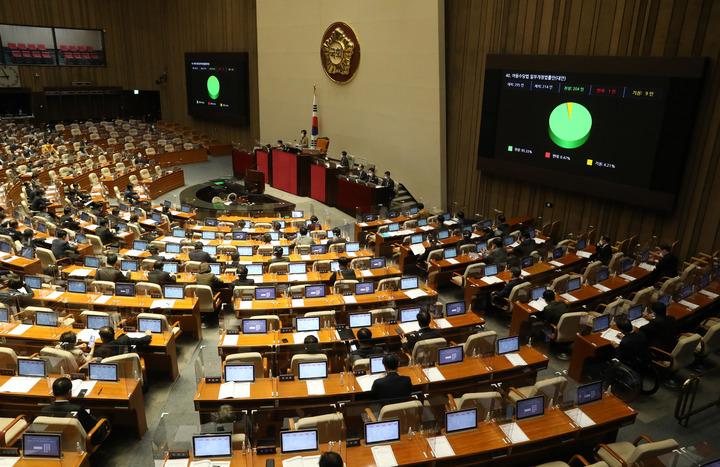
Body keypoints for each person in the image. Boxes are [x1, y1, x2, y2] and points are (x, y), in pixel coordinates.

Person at [41, 377, 108, 444]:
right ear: (69, 392)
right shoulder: (78, 409)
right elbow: (92, 425)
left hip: (56, 442)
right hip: (79, 442)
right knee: (105, 418)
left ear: (53, 392)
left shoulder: (44, 411)